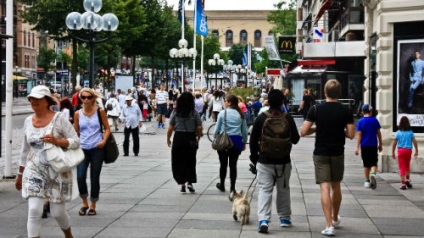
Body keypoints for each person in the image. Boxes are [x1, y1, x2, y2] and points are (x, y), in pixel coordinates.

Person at [15, 85, 78, 238]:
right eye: (31, 99)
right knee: (34, 210)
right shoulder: (28, 121)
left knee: (57, 212)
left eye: (37, 99)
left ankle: (68, 235)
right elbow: (25, 149)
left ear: (47, 101)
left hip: (56, 170)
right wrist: (20, 173)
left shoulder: (59, 119)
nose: (33, 101)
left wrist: (57, 140)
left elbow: (75, 142)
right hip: (34, 168)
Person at [300, 79, 355, 236]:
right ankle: (335, 217)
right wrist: (338, 130)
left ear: (325, 92)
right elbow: (351, 134)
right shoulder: (346, 110)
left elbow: (303, 132)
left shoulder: (316, 109)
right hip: (337, 152)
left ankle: (329, 225)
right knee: (336, 186)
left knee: (324, 187)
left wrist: (318, 128)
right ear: (339, 93)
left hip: (321, 153)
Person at [249, 89, 300, 233]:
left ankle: (263, 219)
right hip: (284, 161)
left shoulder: (261, 118)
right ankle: (284, 218)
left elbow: (252, 140)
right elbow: (295, 139)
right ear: (282, 102)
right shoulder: (287, 117)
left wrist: (255, 158)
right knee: (283, 189)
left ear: (268, 101)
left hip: (264, 160)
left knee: (265, 189)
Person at [74, 88, 110, 217]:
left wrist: (104, 141)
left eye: (89, 97)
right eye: (83, 97)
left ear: (93, 98)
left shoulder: (100, 112)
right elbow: (75, 133)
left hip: (97, 149)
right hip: (82, 149)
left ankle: (93, 204)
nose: (86, 100)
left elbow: (107, 129)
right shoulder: (78, 114)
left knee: (95, 178)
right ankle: (84, 202)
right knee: (80, 176)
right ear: (80, 99)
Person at [167, 92, 203, 193]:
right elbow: (199, 127)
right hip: (191, 137)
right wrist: (198, 138)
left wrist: (168, 139)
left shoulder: (175, 112)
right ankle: (190, 182)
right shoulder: (194, 112)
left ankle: (182, 183)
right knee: (190, 160)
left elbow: (170, 128)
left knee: (178, 161)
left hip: (178, 138)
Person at [214, 95, 248, 193]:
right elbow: (244, 131)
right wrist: (244, 142)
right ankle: (232, 187)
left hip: (224, 141)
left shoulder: (222, 113)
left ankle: (222, 184)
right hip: (236, 141)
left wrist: (215, 138)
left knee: (223, 164)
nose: (224, 102)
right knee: (233, 165)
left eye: (225, 101)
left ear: (229, 102)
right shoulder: (241, 114)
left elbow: (217, 129)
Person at [355, 104, 382, 189]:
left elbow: (359, 135)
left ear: (362, 112)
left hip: (364, 145)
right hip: (373, 144)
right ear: (371, 111)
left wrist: (357, 148)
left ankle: (367, 181)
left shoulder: (360, 122)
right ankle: (373, 174)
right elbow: (379, 133)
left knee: (366, 164)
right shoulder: (375, 120)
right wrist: (380, 144)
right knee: (373, 163)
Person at [392, 116, 419, 190]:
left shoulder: (398, 132)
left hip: (401, 151)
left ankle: (403, 184)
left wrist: (393, 152)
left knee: (402, 167)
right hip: (408, 151)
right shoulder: (410, 132)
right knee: (407, 166)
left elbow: (394, 143)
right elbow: (414, 141)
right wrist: (416, 150)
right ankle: (407, 180)